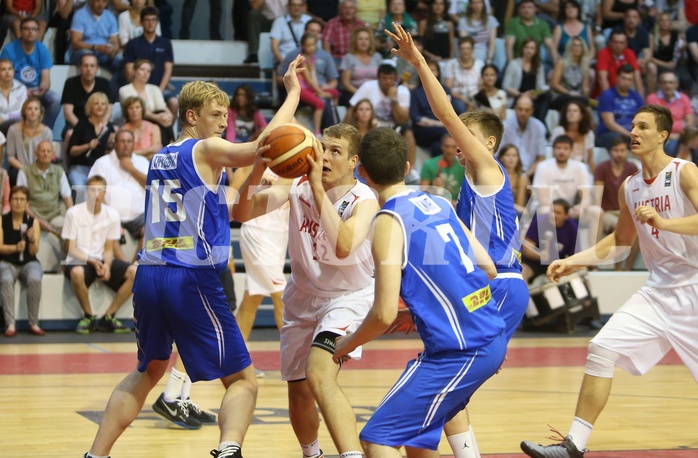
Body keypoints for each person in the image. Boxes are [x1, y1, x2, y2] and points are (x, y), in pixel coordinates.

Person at [82, 55, 307, 458]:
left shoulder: (160, 159)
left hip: (150, 273)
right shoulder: (205, 149)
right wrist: (292, 94)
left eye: (225, 115)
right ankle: (228, 451)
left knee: (148, 371)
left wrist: (266, 177)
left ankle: (94, 455)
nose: (223, 122)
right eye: (216, 115)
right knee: (243, 381)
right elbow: (264, 144)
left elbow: (233, 206)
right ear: (191, 115)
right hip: (190, 276)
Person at [520, 104, 698, 458]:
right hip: (658, 293)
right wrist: (572, 261)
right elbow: (620, 243)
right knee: (601, 349)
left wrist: (664, 224)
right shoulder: (630, 188)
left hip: (695, 289)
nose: (633, 132)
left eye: (643, 127)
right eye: (632, 125)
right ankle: (574, 445)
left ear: (663, 136)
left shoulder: (684, 173)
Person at [386, 24, 529, 458]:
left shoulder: (489, 170)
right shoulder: (466, 184)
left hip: (500, 287)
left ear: (485, 142)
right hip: (482, 285)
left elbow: (446, 113)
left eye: (466, 135)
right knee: (445, 384)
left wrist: (419, 64)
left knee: (442, 378)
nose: (456, 141)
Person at [333, 125, 506, 458]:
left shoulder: (387, 220)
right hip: (487, 334)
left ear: (363, 172)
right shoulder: (439, 202)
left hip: (461, 350)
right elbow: (488, 268)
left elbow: (383, 314)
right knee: (417, 442)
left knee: (377, 438)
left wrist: (346, 344)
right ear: (408, 167)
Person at [233, 123, 379, 458]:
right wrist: (258, 166)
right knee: (298, 393)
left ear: (353, 160)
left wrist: (315, 189)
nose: (324, 157)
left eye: (335, 151)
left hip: (348, 299)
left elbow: (344, 246)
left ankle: (350, 455)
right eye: (322, 148)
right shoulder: (295, 188)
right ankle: (311, 454)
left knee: (320, 371)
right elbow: (242, 213)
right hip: (303, 297)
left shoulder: (364, 199)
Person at [63, 174, 135, 335]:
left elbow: (109, 248)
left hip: (101, 258)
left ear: (104, 193)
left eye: (99, 190)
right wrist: (93, 262)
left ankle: (109, 317)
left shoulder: (112, 214)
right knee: (77, 272)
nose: (96, 194)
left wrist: (107, 266)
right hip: (79, 258)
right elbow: (70, 248)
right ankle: (88, 316)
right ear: (86, 192)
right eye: (92, 190)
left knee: (135, 272)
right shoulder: (73, 213)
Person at [229, 166, 289, 342]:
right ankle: (295, 360)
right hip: (256, 234)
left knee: (251, 299)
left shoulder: (294, 166)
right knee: (282, 297)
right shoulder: (252, 166)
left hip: (278, 238)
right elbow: (229, 203)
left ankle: (234, 360)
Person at [87, 129, 148, 261]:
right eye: (122, 141)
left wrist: (131, 169)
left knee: (153, 229)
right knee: (107, 225)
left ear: (133, 144)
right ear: (115, 143)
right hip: (111, 214)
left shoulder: (142, 162)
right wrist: (108, 214)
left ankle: (135, 267)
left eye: (129, 141)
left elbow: (152, 186)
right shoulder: (102, 163)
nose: (126, 144)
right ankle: (126, 268)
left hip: (139, 216)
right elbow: (95, 192)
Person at [532, 134, 602, 246]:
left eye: (565, 149)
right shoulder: (543, 166)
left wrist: (580, 207)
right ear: (553, 150)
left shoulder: (580, 167)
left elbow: (586, 197)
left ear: (571, 151)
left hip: (571, 210)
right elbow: (542, 199)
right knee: (544, 210)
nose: (562, 152)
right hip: (550, 209)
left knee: (596, 212)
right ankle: (547, 253)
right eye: (558, 148)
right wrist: (561, 211)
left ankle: (592, 254)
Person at [0, 18, 61, 130]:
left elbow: (46, 80)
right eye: (27, 29)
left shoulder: (42, 50)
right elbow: (4, 76)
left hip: (36, 89)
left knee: (55, 100)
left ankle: (42, 130)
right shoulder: (9, 50)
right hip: (14, 89)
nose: (30, 32)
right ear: (21, 31)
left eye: (33, 29)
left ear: (38, 32)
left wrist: (41, 90)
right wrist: (22, 90)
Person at [1, 185, 43, 337]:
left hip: (28, 262)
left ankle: (34, 323)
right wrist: (15, 248)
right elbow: (0, 247)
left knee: (34, 278)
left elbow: (34, 251)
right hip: (7, 262)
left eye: (22, 199)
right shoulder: (2, 219)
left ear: (27, 203)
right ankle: (10, 324)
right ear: (10, 201)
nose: (18, 202)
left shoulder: (33, 222)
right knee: (5, 279)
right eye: (15, 199)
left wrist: (32, 240)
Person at [122, 5, 178, 117]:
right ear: (141, 22)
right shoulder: (133, 44)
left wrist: (159, 91)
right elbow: (129, 71)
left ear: (157, 22)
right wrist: (140, 90)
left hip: (161, 88)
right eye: (147, 20)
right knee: (137, 104)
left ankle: (167, 132)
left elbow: (168, 70)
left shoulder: (165, 43)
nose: (150, 23)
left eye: (153, 20)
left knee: (174, 103)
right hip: (138, 89)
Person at [592, 136, 639, 269]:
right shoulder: (602, 168)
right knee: (619, 227)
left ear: (627, 151)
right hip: (607, 212)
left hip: (627, 211)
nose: (619, 154)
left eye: (622, 150)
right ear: (610, 151)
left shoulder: (632, 167)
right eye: (616, 150)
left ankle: (627, 268)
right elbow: (597, 195)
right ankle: (617, 268)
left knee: (638, 231)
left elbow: (637, 193)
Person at [16, 140, 73, 238]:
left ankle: (70, 253)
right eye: (42, 151)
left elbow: (67, 196)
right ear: (36, 153)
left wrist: (73, 216)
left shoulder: (59, 172)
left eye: (48, 151)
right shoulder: (25, 172)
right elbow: (21, 202)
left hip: (54, 215)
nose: (45, 153)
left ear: (53, 155)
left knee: (72, 231)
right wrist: (37, 219)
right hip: (32, 216)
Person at [60, 53, 116, 147]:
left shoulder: (105, 83)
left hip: (100, 123)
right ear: (80, 68)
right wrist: (83, 129)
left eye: (92, 66)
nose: (88, 69)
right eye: (85, 65)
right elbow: (68, 113)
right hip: (76, 123)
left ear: (97, 69)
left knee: (116, 131)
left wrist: (100, 127)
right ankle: (68, 162)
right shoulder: (71, 83)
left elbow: (108, 112)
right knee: (69, 133)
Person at [521, 197, 579, 283]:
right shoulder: (539, 221)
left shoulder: (572, 227)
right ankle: (525, 296)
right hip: (535, 263)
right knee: (521, 273)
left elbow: (575, 255)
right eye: (552, 211)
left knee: (578, 273)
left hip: (558, 264)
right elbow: (527, 248)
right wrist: (540, 255)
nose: (553, 215)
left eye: (558, 213)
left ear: (566, 216)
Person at [66, 92, 116, 188]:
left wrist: (110, 145)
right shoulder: (81, 125)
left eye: (103, 104)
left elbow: (110, 155)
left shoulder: (109, 127)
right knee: (81, 189)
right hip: (80, 168)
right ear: (90, 106)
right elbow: (71, 151)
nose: (100, 106)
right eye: (96, 104)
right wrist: (87, 146)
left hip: (100, 169)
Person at [119, 58, 175, 144]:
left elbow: (162, 107)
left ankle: (169, 144)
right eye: (142, 69)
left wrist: (169, 115)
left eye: (148, 71)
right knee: (159, 118)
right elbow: (135, 109)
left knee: (162, 114)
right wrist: (157, 118)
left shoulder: (154, 88)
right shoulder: (124, 90)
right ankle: (170, 144)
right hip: (135, 119)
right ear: (134, 71)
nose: (145, 73)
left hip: (156, 120)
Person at [596, 64, 645, 150]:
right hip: (609, 134)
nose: (626, 82)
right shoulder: (607, 95)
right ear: (617, 78)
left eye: (629, 80)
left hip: (632, 133)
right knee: (618, 138)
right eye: (624, 78)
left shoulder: (636, 97)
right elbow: (609, 123)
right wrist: (630, 135)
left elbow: (643, 119)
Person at [6, 97, 52, 186]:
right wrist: (25, 170)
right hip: (19, 168)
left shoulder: (47, 132)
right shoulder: (13, 130)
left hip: (40, 167)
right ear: (24, 112)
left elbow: (48, 155)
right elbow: (10, 157)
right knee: (13, 176)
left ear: (40, 112)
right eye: (29, 108)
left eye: (36, 109)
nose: (33, 111)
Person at [499, 94, 548, 178]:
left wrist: (525, 175)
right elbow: (498, 156)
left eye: (527, 110)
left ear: (532, 111)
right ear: (515, 108)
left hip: (530, 174)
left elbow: (541, 158)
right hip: (505, 173)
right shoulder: (504, 127)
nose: (523, 113)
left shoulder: (539, 127)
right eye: (520, 109)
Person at [68, 0, 122, 76]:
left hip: (103, 52)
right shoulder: (80, 15)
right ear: (91, 1)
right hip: (83, 51)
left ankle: (111, 87)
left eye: (104, 1)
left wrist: (112, 51)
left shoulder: (110, 17)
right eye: (97, 1)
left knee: (121, 65)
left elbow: (115, 43)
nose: (100, 4)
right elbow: (75, 43)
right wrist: (95, 47)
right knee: (89, 58)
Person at [410, 59, 450, 157]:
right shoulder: (416, 92)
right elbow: (416, 118)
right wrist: (439, 124)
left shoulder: (445, 90)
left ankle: (440, 171)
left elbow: (448, 112)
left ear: (438, 73)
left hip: (439, 129)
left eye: (434, 70)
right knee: (444, 131)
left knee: (437, 146)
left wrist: (429, 122)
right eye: (428, 70)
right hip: (423, 131)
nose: (431, 73)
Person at [338, 26, 383, 106]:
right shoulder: (348, 57)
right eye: (360, 39)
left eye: (366, 39)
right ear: (355, 41)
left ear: (370, 42)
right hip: (354, 93)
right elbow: (346, 84)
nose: (363, 42)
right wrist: (361, 94)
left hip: (375, 92)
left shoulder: (377, 57)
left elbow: (382, 78)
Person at [442, 37, 483, 116]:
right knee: (460, 107)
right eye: (462, 48)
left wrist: (473, 99)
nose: (465, 51)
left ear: (472, 49)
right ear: (459, 50)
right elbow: (448, 87)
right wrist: (462, 97)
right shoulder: (451, 64)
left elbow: (481, 85)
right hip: (458, 96)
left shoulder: (480, 64)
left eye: (468, 48)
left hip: (475, 95)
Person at [551, 100, 596, 171]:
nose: (571, 113)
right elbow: (554, 155)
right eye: (569, 111)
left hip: (581, 170)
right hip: (562, 168)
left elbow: (590, 160)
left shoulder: (588, 134)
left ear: (581, 115)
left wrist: (595, 178)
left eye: (575, 111)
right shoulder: (559, 131)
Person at [419, 134, 464, 204]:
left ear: (458, 148)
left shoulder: (463, 166)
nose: (450, 150)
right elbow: (422, 193)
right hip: (435, 204)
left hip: (456, 207)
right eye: (447, 146)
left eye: (453, 147)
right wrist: (433, 190)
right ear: (442, 146)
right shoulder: (429, 165)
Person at [321, 0, 367, 64]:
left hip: (357, 59)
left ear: (356, 10)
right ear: (340, 9)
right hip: (338, 59)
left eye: (351, 8)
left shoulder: (361, 24)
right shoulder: (332, 24)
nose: (348, 11)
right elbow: (326, 44)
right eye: (345, 8)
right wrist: (330, 63)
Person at [270, 0, 312, 66]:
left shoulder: (309, 20)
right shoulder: (279, 22)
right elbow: (274, 46)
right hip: (284, 59)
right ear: (288, 7)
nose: (296, 7)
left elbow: (314, 42)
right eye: (293, 5)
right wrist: (284, 63)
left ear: (304, 7)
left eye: (299, 5)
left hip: (305, 60)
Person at [457, 0, 498, 64]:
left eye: (479, 2)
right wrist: (474, 61)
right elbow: (464, 43)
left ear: (483, 4)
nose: (477, 5)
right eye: (474, 3)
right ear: (470, 5)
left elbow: (492, 42)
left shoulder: (491, 20)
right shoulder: (463, 21)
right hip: (468, 56)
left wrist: (489, 58)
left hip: (485, 55)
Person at [497, 143, 530, 216]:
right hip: (500, 210)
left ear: (518, 158)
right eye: (508, 155)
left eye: (514, 155)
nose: (511, 158)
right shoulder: (497, 176)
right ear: (501, 158)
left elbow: (520, 204)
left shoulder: (522, 177)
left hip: (518, 212)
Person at [0, 58, 27, 136]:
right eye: (3, 69)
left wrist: (4, 118)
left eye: (10, 69)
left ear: (14, 71)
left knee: (16, 125)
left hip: (16, 122)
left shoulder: (21, 88)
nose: (7, 72)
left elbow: (22, 111)